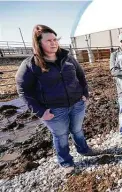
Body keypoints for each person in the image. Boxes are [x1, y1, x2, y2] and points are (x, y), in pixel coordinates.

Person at [15, 24, 100, 174]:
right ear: (39, 43)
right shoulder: (30, 65)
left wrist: (85, 94)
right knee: (60, 136)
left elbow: (81, 76)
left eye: (55, 39)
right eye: (49, 40)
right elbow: (23, 90)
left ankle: (84, 150)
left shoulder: (68, 58)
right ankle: (66, 162)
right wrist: (40, 112)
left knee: (77, 130)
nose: (54, 43)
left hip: (77, 104)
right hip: (53, 110)